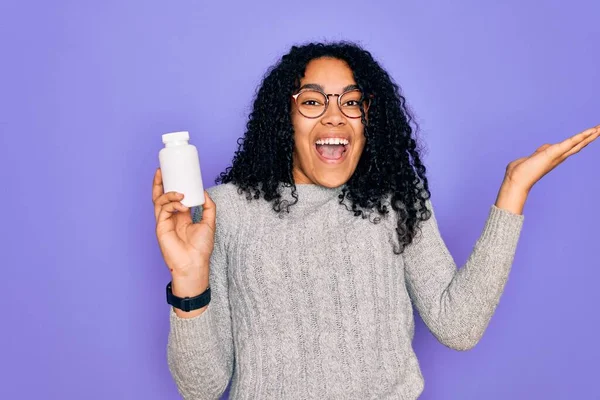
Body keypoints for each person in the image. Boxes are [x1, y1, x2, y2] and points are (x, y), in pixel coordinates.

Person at [152, 41, 599, 400]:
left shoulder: (396, 202)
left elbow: (458, 325)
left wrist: (514, 188)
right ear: (283, 118)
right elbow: (202, 387)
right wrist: (189, 277)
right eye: (311, 101)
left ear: (370, 119)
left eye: (352, 102)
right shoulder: (224, 211)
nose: (334, 115)